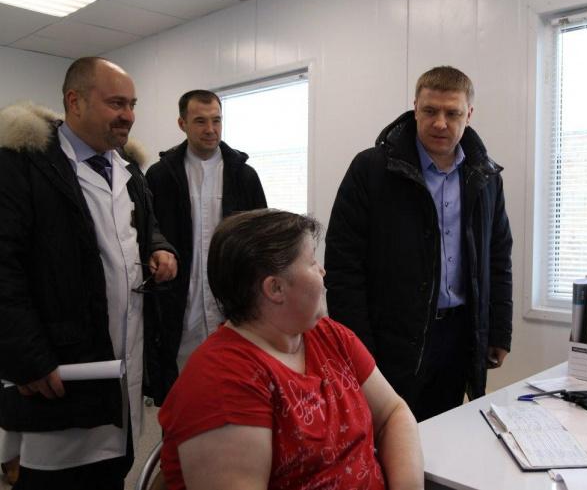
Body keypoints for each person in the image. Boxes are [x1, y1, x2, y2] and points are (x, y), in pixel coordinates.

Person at [0, 57, 177, 490]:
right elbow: (4, 267)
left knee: (112, 467)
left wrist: (160, 248)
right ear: (74, 101)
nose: (129, 115)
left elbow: (143, 227)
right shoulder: (23, 166)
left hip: (123, 359)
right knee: (57, 476)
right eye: (116, 103)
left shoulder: (128, 169)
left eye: (132, 104)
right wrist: (28, 358)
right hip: (59, 368)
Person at [159, 209, 423, 490]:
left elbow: (392, 413)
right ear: (275, 288)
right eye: (312, 261)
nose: (323, 271)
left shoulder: (328, 335)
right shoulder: (222, 382)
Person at [324, 66, 513, 421]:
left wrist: (498, 330)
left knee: (445, 430)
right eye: (430, 111)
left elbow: (498, 258)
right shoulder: (371, 169)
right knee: (388, 433)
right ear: (415, 109)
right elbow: (343, 266)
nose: (440, 123)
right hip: (391, 336)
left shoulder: (485, 177)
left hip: (459, 335)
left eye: (452, 113)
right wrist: (356, 345)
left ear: (469, 115)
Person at [145, 90, 267, 386]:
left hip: (231, 305)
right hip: (180, 306)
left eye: (216, 120)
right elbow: (147, 231)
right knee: (182, 389)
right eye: (200, 121)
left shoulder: (244, 176)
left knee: (233, 387)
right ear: (182, 123)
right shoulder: (160, 177)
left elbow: (262, 240)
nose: (211, 129)